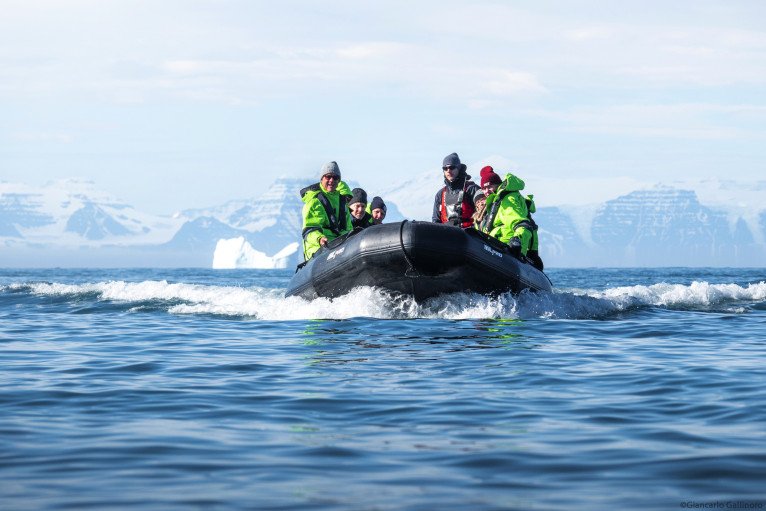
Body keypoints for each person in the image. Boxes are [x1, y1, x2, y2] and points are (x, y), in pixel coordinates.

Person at [300, 161, 353, 260]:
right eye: (328, 177)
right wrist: (320, 238)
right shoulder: (314, 201)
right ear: (322, 179)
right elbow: (309, 231)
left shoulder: (342, 202)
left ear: (339, 181)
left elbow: (348, 229)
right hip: (318, 249)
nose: (331, 180)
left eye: (335, 177)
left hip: (339, 247)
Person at [478, 168, 534, 260]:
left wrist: (517, 240)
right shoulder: (494, 203)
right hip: (497, 250)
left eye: (490, 186)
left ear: (498, 185)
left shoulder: (507, 200)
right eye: (484, 188)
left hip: (508, 249)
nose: (486, 191)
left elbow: (520, 224)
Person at [432, 153, 483, 228]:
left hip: (469, 233)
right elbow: (436, 221)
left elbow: (483, 215)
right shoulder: (440, 194)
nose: (448, 170)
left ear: (458, 168)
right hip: (446, 233)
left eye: (452, 167)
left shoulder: (471, 189)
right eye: (445, 168)